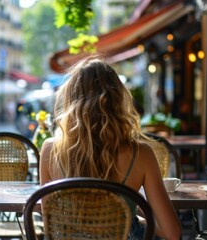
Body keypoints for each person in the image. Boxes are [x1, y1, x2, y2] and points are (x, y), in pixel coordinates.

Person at [39, 56, 181, 239]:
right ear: (118, 99)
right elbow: (173, 233)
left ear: (70, 99)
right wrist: (132, 218)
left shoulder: (50, 150)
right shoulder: (141, 154)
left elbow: (51, 221)